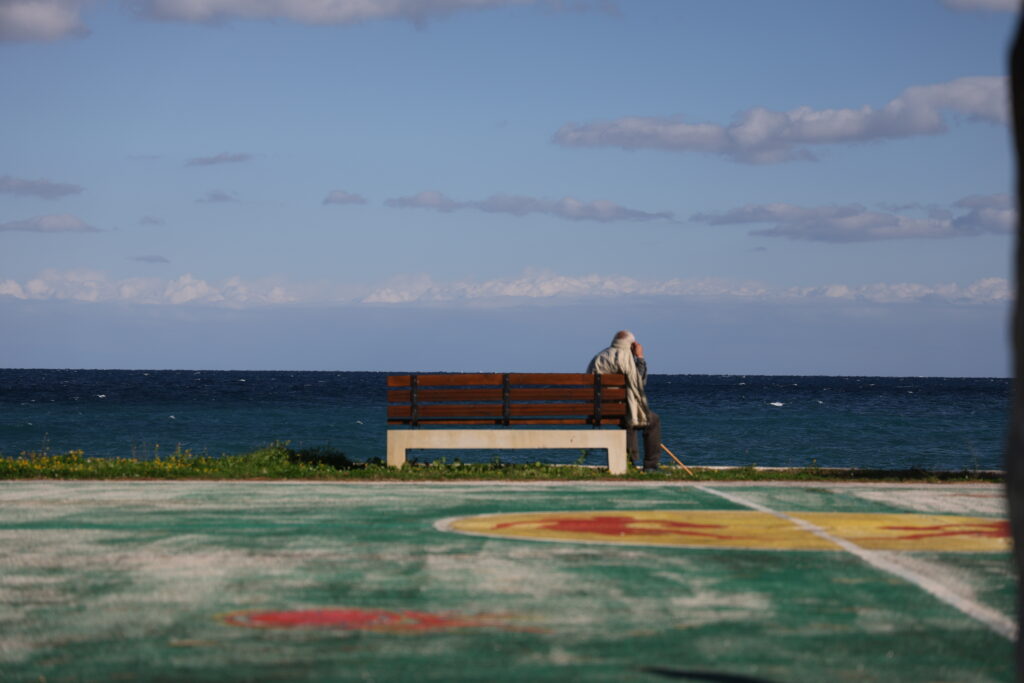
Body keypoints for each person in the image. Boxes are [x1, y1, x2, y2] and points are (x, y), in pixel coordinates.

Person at [587, 330, 661, 471]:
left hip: (598, 409)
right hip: (619, 410)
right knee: (652, 420)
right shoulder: (625, 357)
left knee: (628, 418)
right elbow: (639, 383)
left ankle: (629, 464)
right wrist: (639, 357)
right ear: (631, 344)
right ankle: (650, 465)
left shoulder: (599, 357)